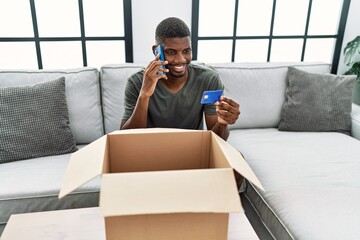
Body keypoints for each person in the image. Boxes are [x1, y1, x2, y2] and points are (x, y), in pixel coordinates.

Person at [120, 17, 240, 141]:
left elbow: (217, 141)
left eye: (186, 51)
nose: (180, 60)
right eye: (171, 52)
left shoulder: (208, 79)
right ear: (156, 51)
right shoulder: (136, 81)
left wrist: (222, 123)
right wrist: (144, 95)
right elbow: (126, 140)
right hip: (151, 150)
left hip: (193, 150)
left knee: (237, 158)